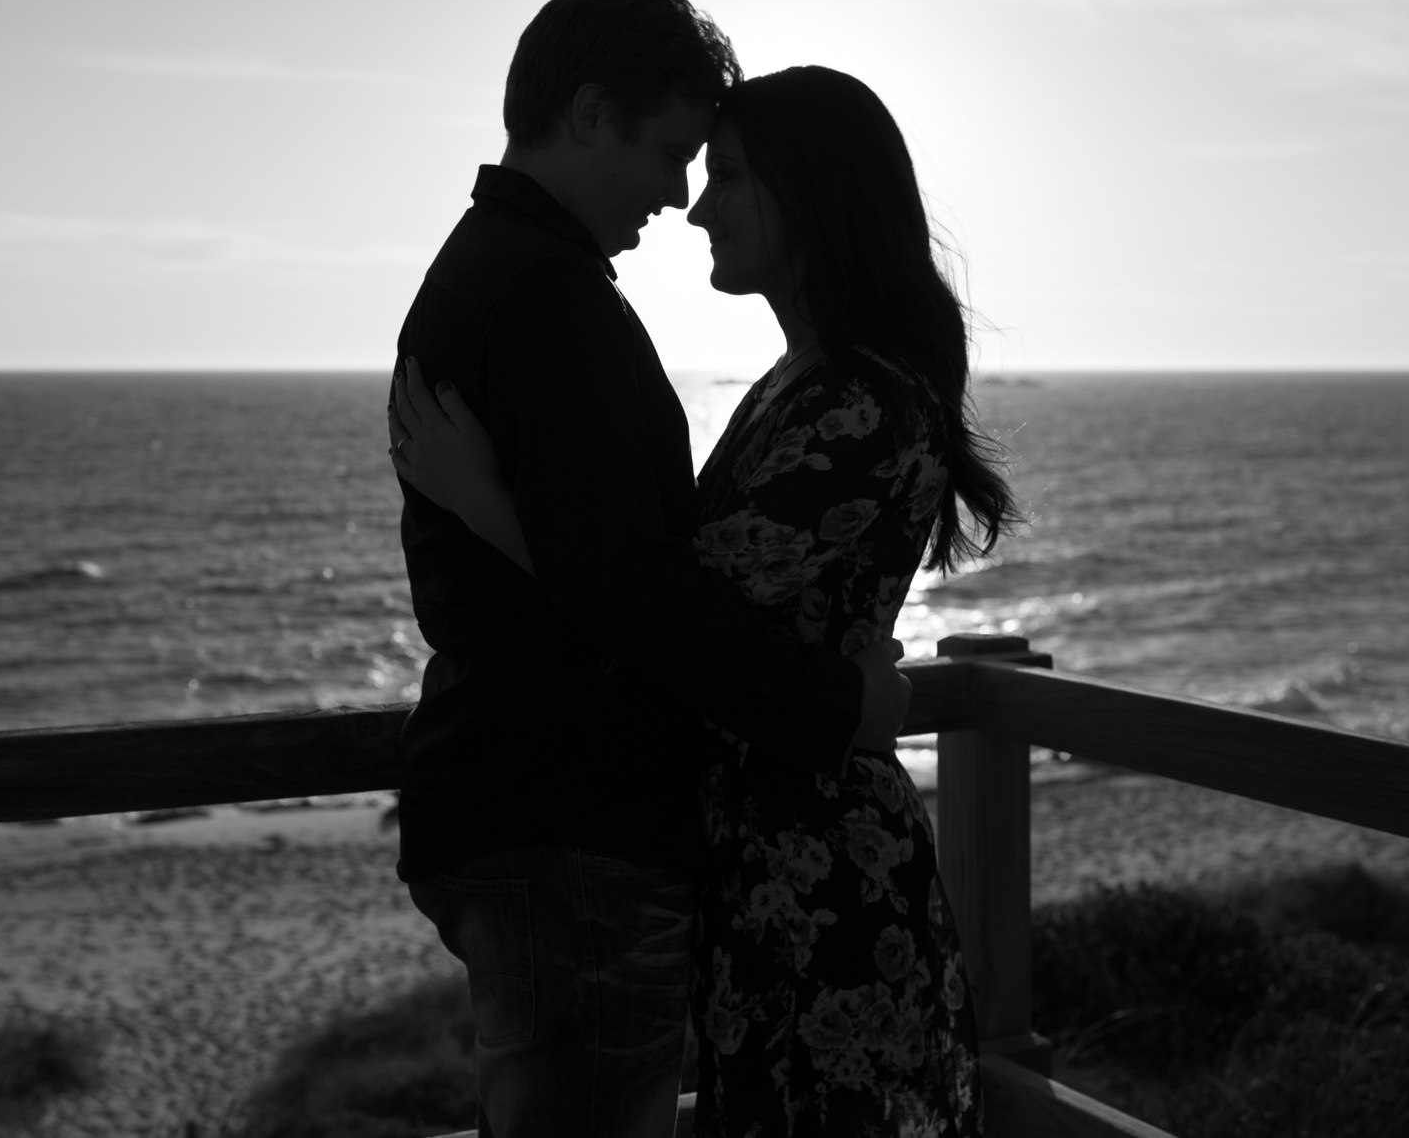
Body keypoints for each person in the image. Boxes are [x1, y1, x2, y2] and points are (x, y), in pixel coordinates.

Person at [393, 64, 1020, 1135]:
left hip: (822, 871)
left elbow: (673, 601)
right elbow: (664, 590)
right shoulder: (797, 377)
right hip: (753, 864)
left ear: (808, 194)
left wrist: (489, 506)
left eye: (725, 173)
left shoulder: (865, 397)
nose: (694, 203)